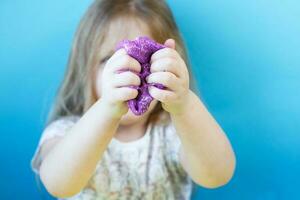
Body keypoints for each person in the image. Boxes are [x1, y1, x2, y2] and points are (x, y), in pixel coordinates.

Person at [31, 0, 236, 199]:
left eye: (146, 62)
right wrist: (107, 108)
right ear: (85, 70)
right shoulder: (67, 131)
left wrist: (184, 105)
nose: (130, 72)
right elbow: (58, 185)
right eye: (109, 60)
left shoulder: (173, 133)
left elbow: (217, 175)